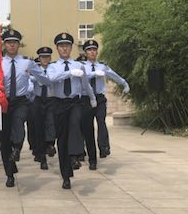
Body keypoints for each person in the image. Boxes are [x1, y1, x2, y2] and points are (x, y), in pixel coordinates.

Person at [0, 29, 49, 188]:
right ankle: (9, 173)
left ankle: (17, 147)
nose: (12, 45)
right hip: (4, 101)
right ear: (4, 45)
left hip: (21, 101)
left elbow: (42, 77)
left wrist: (51, 81)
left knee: (19, 121)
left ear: (18, 45)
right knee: (4, 139)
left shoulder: (27, 63)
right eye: (9, 42)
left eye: (15, 42)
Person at [45, 32, 96, 189]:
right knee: (62, 139)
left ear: (71, 47)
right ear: (57, 48)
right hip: (59, 104)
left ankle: (75, 156)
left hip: (75, 102)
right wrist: (68, 73)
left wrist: (92, 98)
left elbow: (86, 84)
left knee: (75, 122)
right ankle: (65, 175)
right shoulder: (53, 66)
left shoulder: (79, 66)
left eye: (67, 45)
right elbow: (51, 79)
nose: (64, 48)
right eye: (61, 46)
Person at [81, 39, 130, 169]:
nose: (92, 52)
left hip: (100, 98)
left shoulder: (102, 66)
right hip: (86, 99)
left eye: (94, 50)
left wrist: (124, 83)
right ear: (85, 53)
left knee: (101, 121)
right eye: (89, 50)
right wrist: (93, 74)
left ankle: (104, 147)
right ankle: (92, 159)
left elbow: (113, 75)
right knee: (88, 129)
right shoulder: (81, 66)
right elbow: (82, 78)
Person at [30, 47, 57, 170]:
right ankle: (42, 157)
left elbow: (54, 79)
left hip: (51, 99)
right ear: (39, 58)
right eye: (43, 57)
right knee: (39, 127)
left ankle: (50, 144)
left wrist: (43, 80)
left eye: (47, 57)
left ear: (50, 58)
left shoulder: (54, 68)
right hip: (38, 100)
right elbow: (29, 80)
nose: (45, 59)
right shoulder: (34, 69)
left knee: (51, 123)